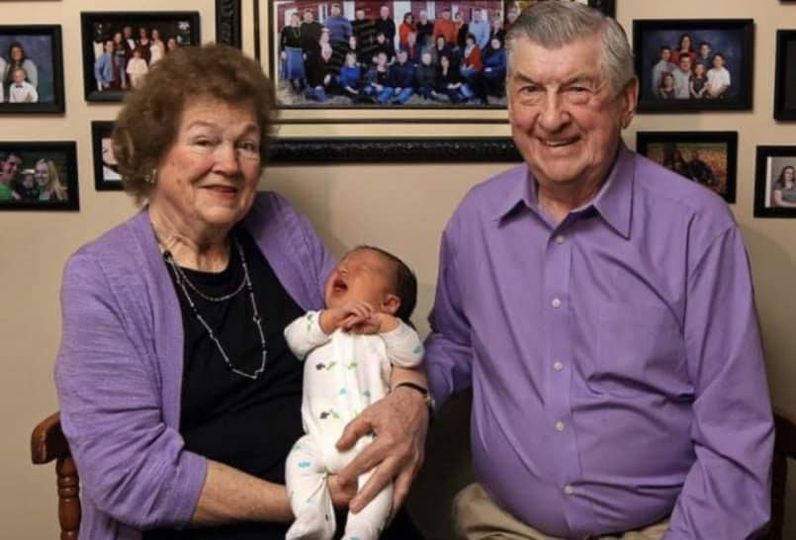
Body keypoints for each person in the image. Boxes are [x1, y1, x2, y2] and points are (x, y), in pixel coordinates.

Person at [54, 43, 430, 540]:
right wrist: (305, 503)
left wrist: (410, 396)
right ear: (154, 153)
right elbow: (128, 475)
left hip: (346, 496)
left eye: (247, 145)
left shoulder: (279, 224)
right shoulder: (102, 277)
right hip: (225, 520)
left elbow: (368, 332)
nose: (229, 164)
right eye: (205, 141)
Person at [425, 3, 773, 539]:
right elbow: (456, 341)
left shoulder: (696, 228)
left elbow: (735, 432)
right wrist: (409, 390)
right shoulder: (476, 220)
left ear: (627, 100)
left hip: (662, 529)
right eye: (530, 90)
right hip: (504, 525)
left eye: (578, 89)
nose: (551, 117)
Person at [283, 247, 423, 540]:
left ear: (390, 302)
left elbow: (413, 355)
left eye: (361, 268)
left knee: (377, 489)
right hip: (319, 440)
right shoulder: (318, 325)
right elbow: (293, 339)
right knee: (298, 465)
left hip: (372, 441)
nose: (344, 269)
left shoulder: (386, 337)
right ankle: (312, 520)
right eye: (342, 263)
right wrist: (329, 319)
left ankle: (361, 534)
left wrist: (385, 324)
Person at [280, 12, 306, 93]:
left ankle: (301, 84)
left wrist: (305, 52)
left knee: (301, 68)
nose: (295, 19)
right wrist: (283, 51)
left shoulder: (302, 29)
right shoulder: (285, 28)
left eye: (297, 17)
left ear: (299, 19)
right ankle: (293, 85)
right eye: (293, 17)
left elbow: (305, 41)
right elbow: (281, 41)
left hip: (300, 51)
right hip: (289, 50)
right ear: (291, 18)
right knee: (291, 68)